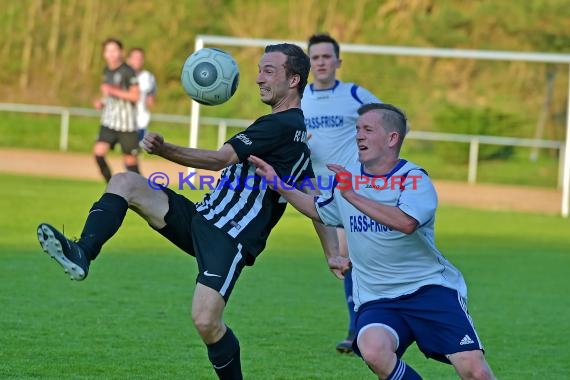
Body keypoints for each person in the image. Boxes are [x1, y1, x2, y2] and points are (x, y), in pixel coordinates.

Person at [37, 43, 343, 380]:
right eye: (259, 69)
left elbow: (219, 160)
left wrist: (165, 149)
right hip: (203, 216)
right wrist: (332, 252)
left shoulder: (281, 126)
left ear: (295, 79)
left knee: (206, 320)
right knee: (125, 182)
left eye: (268, 71)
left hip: (229, 236)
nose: (258, 78)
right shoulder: (297, 133)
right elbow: (315, 198)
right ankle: (83, 252)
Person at [249, 103, 496, 380]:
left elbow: (406, 222)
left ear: (392, 138)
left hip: (429, 290)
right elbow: (319, 209)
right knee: (373, 349)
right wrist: (279, 183)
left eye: (368, 129)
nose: (358, 136)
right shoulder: (350, 180)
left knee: (475, 372)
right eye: (357, 130)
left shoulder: (414, 179)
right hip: (378, 298)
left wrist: (352, 195)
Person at [302, 33, 381, 353]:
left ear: (338, 61)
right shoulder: (298, 97)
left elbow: (389, 123)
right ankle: (363, 328)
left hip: (351, 188)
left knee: (349, 257)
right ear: (308, 63)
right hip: (316, 191)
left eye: (326, 56)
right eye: (315, 57)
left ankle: (357, 331)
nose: (320, 62)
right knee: (340, 260)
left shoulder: (355, 94)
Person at [93, 38, 141, 182]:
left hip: (126, 125)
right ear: (104, 54)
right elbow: (108, 95)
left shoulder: (128, 71)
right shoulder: (106, 71)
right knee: (98, 153)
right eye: (108, 51)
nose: (111, 54)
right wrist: (102, 102)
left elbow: (135, 96)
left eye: (114, 50)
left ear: (121, 52)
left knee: (130, 163)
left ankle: (143, 192)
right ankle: (111, 186)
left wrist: (113, 91)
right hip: (109, 122)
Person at [126, 47, 157, 144]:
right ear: (129, 59)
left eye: (140, 58)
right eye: (135, 58)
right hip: (122, 121)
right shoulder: (122, 75)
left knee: (133, 153)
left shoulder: (148, 77)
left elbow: (151, 98)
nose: (137, 61)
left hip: (140, 122)